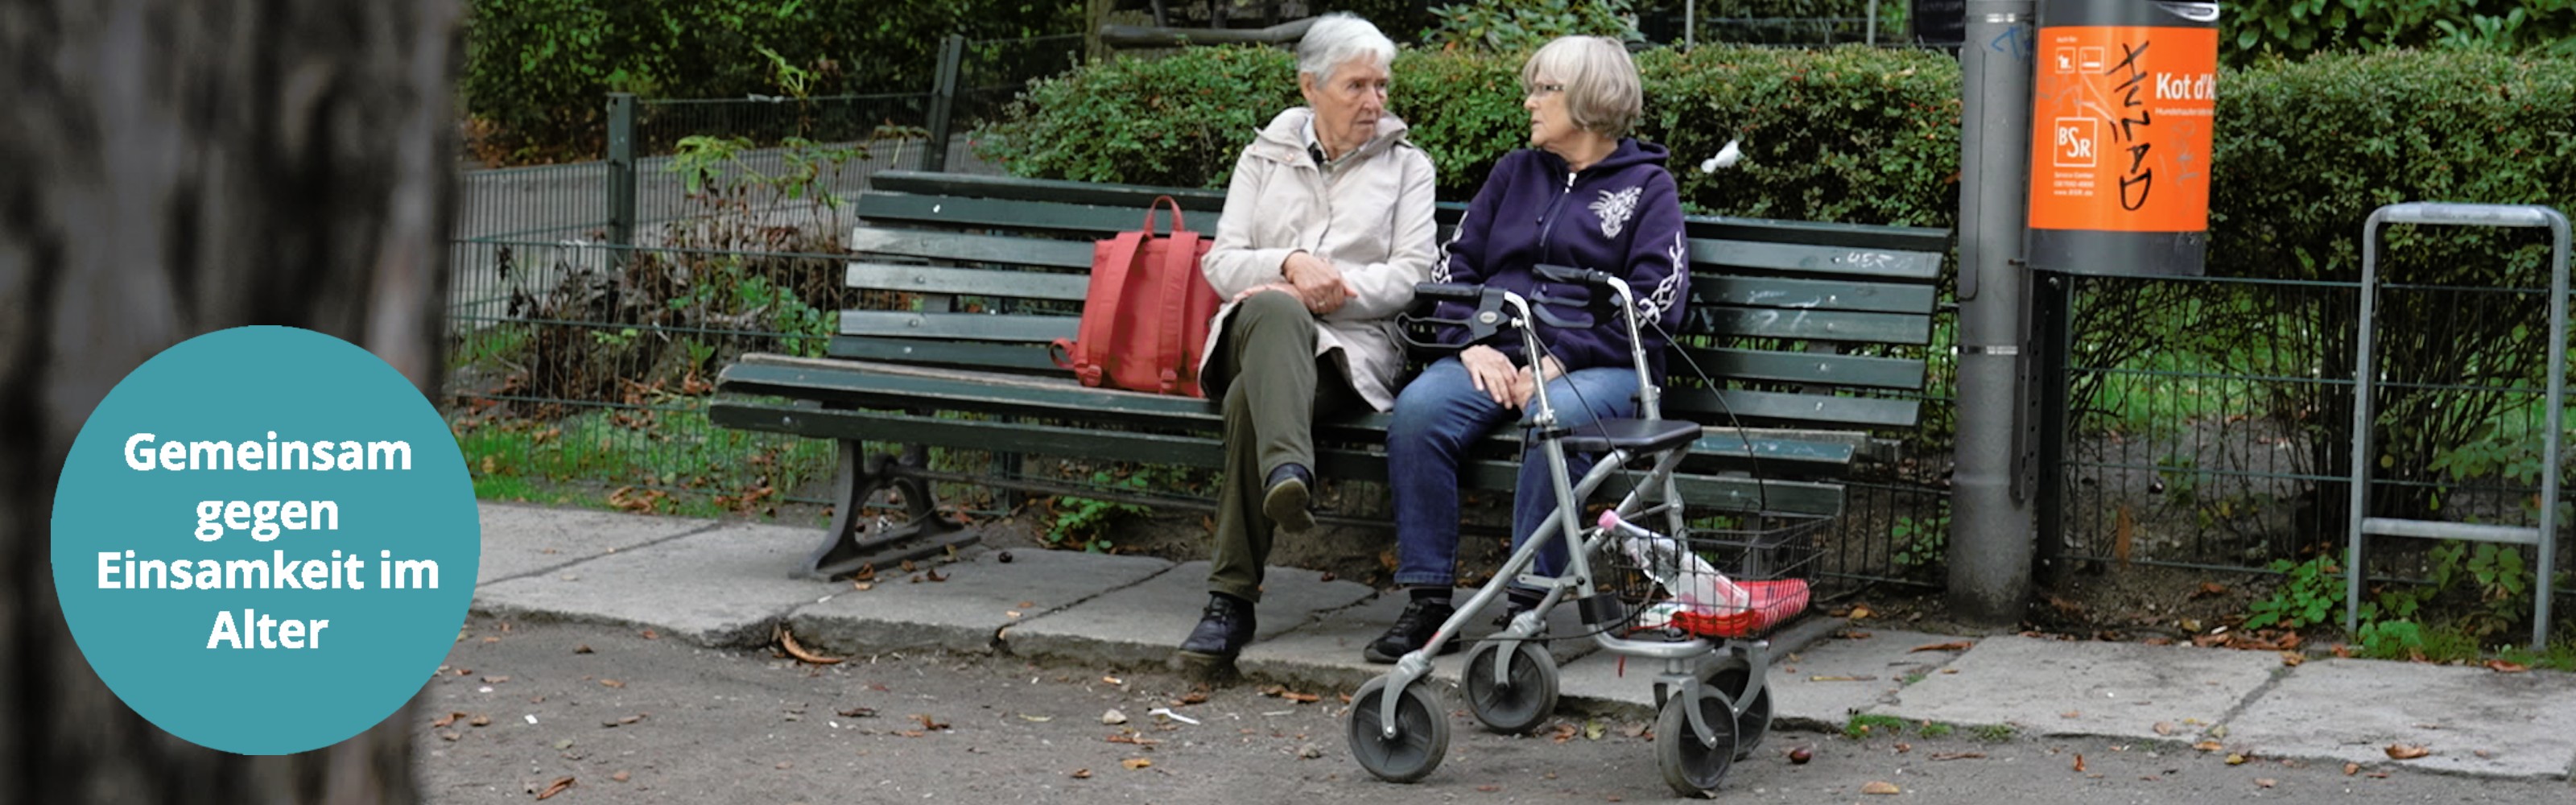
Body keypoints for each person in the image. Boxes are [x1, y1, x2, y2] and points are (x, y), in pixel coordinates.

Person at [1367, 35, 1689, 663]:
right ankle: (1428, 602)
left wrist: (1561, 356)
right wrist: (1474, 342)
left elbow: (1655, 302)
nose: (1529, 102)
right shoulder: (1513, 173)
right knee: (1419, 412)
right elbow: (1453, 266)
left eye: (1546, 90)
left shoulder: (1649, 189)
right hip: (1498, 355)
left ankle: (1529, 607)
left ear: (1591, 101)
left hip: (1600, 367)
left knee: (1555, 420)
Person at [1174, 13, 1439, 667]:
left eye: (1381, 85)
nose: (1374, 101)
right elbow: (1221, 261)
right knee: (1275, 311)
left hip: (1348, 356)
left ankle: (1229, 605)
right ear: (1310, 86)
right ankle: (1289, 470)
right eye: (1356, 87)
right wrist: (1290, 266)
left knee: (1246, 405)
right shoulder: (1263, 156)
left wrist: (1333, 287)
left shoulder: (1409, 168)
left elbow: (1412, 275)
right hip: (1255, 329)